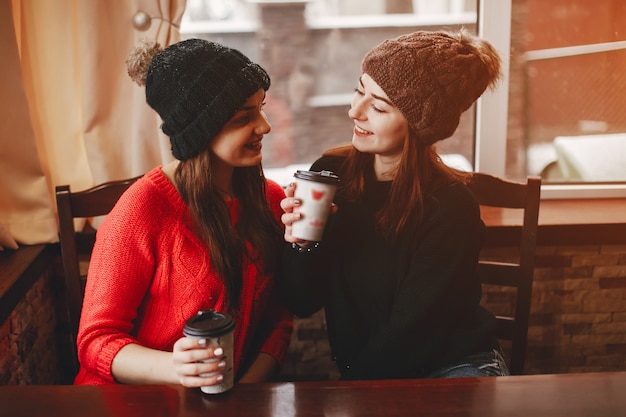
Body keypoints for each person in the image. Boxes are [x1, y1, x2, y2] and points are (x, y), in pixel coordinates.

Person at [279, 29, 509, 380]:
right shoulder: (330, 175)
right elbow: (301, 300)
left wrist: (355, 391)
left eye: (379, 106)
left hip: (453, 365)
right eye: (359, 90)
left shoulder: (450, 207)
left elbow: (412, 332)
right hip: (370, 373)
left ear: (419, 126)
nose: (355, 110)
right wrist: (304, 246)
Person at [74, 38, 293, 386]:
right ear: (199, 132)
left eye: (261, 107)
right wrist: (176, 369)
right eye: (243, 117)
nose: (265, 126)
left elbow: (279, 316)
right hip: (132, 403)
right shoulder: (142, 210)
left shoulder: (271, 200)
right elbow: (96, 341)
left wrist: (248, 388)